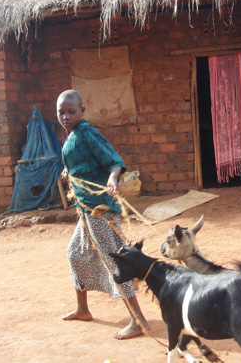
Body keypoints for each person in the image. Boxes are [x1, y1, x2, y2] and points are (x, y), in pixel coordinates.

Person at [56, 89, 149, 339]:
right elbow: (80, 165)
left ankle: (138, 320)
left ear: (82, 111)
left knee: (115, 262)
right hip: (86, 210)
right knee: (75, 253)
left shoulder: (87, 133)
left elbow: (113, 161)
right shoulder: (73, 136)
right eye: (61, 112)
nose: (66, 116)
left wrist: (112, 178)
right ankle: (83, 309)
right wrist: (68, 173)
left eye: (71, 111)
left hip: (101, 210)